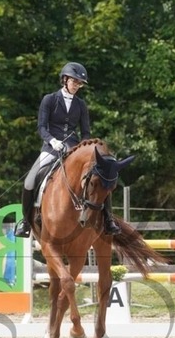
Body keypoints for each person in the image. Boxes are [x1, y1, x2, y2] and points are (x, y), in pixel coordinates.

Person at [14, 62, 121, 238]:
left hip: (74, 149)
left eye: (80, 83)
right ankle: (25, 222)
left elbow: (85, 132)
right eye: (74, 81)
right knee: (29, 181)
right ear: (64, 80)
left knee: (100, 177)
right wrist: (53, 141)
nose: (77, 85)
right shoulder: (50, 99)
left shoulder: (81, 105)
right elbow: (41, 127)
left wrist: (83, 150)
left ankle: (109, 219)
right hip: (51, 147)